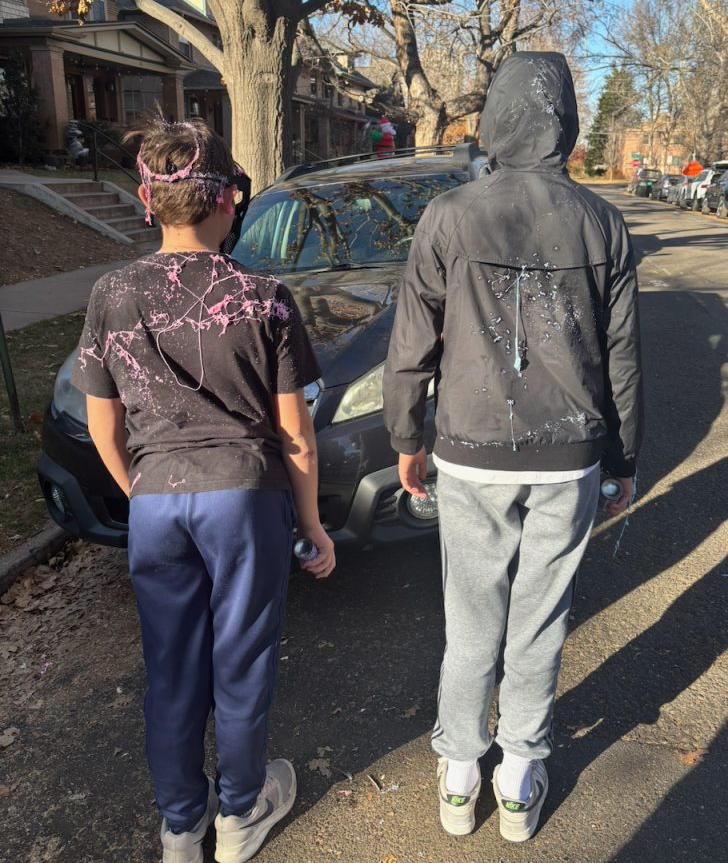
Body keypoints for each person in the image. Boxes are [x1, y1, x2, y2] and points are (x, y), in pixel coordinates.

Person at [383, 52, 642, 843]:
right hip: (569, 453)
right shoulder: (602, 222)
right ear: (565, 120)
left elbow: (412, 340)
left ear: (496, 115)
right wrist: (624, 460)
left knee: (472, 617)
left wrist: (406, 435)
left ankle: (462, 774)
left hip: (471, 448)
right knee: (539, 618)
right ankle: (520, 775)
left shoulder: (448, 215)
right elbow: (622, 357)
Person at [71, 116, 335, 863]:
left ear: (146, 201)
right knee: (241, 664)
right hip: (244, 497)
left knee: (171, 669)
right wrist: (311, 524)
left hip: (158, 498)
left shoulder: (111, 294)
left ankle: (182, 826)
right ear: (227, 202)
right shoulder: (265, 296)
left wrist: (142, 492)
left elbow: (102, 426)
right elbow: (295, 432)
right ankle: (241, 813)